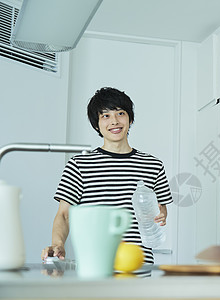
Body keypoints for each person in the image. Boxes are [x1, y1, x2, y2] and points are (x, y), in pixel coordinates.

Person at [41, 87, 173, 265]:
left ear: (130, 118)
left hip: (138, 265)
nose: (115, 121)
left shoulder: (153, 165)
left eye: (120, 113)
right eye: (105, 116)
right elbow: (64, 215)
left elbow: (160, 210)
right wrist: (58, 244)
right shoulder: (79, 164)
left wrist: (161, 214)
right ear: (96, 124)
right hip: (95, 265)